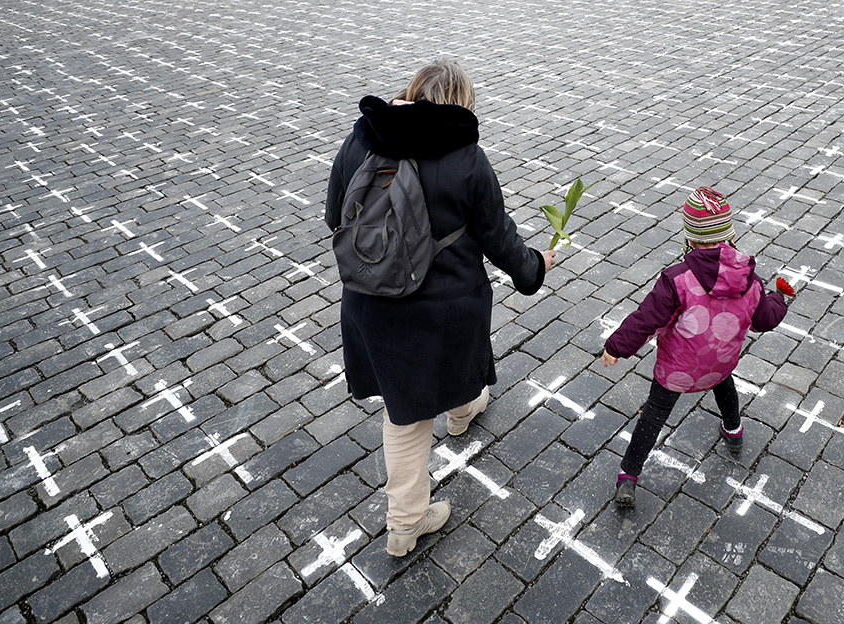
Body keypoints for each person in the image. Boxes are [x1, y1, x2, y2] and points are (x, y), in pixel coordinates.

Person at [324, 59, 556, 556]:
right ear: (460, 104)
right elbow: (499, 238)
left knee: (403, 412)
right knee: (443, 375)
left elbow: (333, 215)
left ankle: (459, 417)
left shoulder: (362, 138)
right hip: (444, 308)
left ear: (412, 93)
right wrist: (535, 268)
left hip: (371, 302)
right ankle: (407, 522)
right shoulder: (467, 157)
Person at [600, 186, 788, 507]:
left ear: (690, 236)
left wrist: (617, 346)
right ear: (729, 234)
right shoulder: (750, 280)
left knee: (654, 415)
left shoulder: (676, 280)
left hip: (678, 370)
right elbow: (764, 320)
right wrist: (780, 298)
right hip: (720, 364)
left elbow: (647, 319)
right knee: (724, 387)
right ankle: (734, 431)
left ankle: (629, 476)